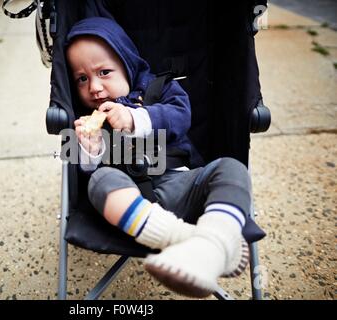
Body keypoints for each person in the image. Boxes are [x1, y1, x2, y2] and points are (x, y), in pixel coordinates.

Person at [65, 17, 265, 298]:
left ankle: (216, 236)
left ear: (128, 64)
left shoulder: (160, 89)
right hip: (130, 203)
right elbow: (85, 174)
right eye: (82, 79)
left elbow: (180, 117)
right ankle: (203, 243)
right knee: (99, 179)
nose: (94, 87)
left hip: (181, 183)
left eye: (104, 72)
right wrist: (89, 149)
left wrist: (135, 118)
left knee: (230, 169)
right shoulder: (86, 120)